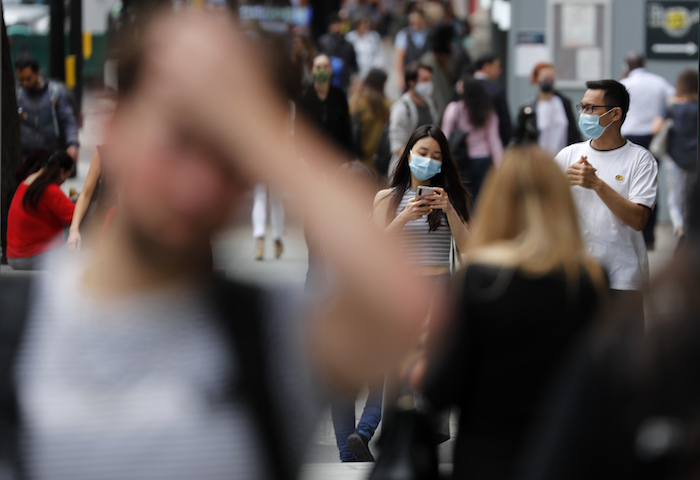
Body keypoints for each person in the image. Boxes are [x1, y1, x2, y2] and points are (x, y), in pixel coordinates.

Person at [0, 9, 433, 480]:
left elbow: (399, 306)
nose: (198, 186)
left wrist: (256, 123)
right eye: (180, 139)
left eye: (227, 156)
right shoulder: (20, 328)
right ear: (115, 130)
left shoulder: (263, 334)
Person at [419, 143, 607, 480]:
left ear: (497, 201)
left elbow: (441, 389)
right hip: (564, 459)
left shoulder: (478, 280)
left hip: (487, 458)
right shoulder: (590, 281)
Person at [555, 79, 657, 322]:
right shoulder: (568, 155)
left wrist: (597, 184)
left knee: (625, 356)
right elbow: (545, 211)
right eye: (583, 108)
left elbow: (638, 219)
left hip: (623, 279)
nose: (584, 115)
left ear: (615, 114)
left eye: (591, 108)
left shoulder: (640, 160)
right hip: (576, 275)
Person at [328, 161, 384, 463]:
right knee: (380, 383)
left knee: (342, 390)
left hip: (337, 311)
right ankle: (362, 433)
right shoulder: (378, 221)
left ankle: (347, 452)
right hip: (373, 313)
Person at [372, 124, 470, 277]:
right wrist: (404, 217)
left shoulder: (449, 198)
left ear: (442, 162)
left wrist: (450, 210)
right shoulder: (386, 197)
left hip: (442, 284)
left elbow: (467, 247)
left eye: (436, 157)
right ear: (408, 154)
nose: (428, 161)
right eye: (422, 153)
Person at [620, 51, 675, 250]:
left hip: (627, 137)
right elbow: (674, 101)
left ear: (627, 65)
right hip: (652, 137)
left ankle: (630, 235)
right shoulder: (658, 82)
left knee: (626, 186)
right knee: (650, 186)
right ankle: (649, 237)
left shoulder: (624, 85)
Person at [6, 151, 75, 270]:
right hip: (34, 256)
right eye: (66, 177)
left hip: (13, 256)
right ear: (62, 172)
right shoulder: (50, 189)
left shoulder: (26, 183)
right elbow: (75, 217)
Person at [651, 68, 698, 238]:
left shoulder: (672, 104)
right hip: (696, 159)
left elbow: (655, 128)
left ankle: (680, 228)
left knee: (676, 198)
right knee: (694, 196)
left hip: (676, 159)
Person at [442, 76, 503, 200]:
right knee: (480, 198)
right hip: (482, 158)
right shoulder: (487, 111)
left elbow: (445, 135)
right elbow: (494, 140)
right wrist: (500, 164)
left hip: (460, 158)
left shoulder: (454, 108)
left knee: (462, 196)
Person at [15, 56, 79, 163]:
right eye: (21, 79)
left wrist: (72, 143)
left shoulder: (54, 92)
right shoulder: (18, 95)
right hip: (25, 157)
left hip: (51, 156)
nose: (25, 83)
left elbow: (67, 119)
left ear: (37, 72)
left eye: (28, 78)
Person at [514, 62, 581, 156]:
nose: (548, 82)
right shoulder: (528, 109)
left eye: (551, 78)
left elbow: (574, 133)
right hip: (539, 161)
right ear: (536, 79)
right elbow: (519, 139)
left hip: (562, 159)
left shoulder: (563, 103)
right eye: (545, 78)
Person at [387, 62, 439, 178]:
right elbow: (397, 145)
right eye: (424, 80)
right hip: (405, 171)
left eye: (429, 80)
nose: (429, 84)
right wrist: (418, 161)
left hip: (428, 172)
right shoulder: (402, 108)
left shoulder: (431, 105)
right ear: (411, 81)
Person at [298, 54, 354, 156]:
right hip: (310, 155)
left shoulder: (340, 96)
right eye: (318, 67)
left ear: (331, 70)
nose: (322, 70)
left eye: (325, 66)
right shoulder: (304, 98)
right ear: (312, 71)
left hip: (335, 156)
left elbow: (346, 130)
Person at [350, 68, 392, 171]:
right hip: (378, 160)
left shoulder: (356, 102)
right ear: (381, 85)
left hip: (359, 159)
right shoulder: (387, 106)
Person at [473, 53, 512, 147]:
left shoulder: (459, 88)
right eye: (497, 66)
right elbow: (504, 122)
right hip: (490, 146)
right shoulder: (496, 90)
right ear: (487, 67)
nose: (500, 70)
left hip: (463, 148)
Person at [393, 2, 430, 91]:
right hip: (410, 76)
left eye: (416, 18)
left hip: (426, 76)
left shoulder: (429, 34)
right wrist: (400, 77)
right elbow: (399, 57)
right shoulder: (404, 35)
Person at [317, 14, 358, 92]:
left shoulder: (348, 44)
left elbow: (354, 65)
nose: (336, 26)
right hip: (328, 80)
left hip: (344, 81)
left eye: (338, 23)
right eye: (333, 23)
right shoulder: (323, 42)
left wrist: (354, 79)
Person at [345, 15, 384, 80]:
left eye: (365, 25)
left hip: (370, 72)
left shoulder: (374, 37)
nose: (363, 27)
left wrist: (375, 69)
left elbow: (378, 55)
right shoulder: (349, 38)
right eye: (360, 25)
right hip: (354, 73)